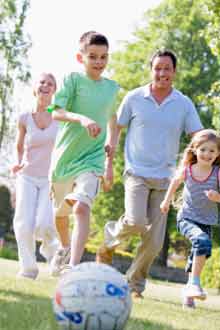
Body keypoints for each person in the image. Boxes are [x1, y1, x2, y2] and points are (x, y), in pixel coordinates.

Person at [96, 49, 203, 298]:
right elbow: (116, 128)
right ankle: (108, 243)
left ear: (174, 72)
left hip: (166, 179)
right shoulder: (134, 98)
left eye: (167, 68)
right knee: (135, 221)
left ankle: (134, 285)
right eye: (158, 68)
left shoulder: (183, 103)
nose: (162, 73)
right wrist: (108, 163)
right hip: (136, 173)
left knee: (154, 243)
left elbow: (197, 135)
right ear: (151, 69)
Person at [48, 31, 119, 276]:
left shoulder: (112, 88)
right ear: (81, 58)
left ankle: (73, 266)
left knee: (81, 207)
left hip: (92, 158)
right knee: (60, 216)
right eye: (93, 57)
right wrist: (81, 118)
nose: (99, 62)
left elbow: (112, 120)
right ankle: (65, 247)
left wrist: (110, 155)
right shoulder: (72, 80)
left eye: (103, 57)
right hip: (64, 160)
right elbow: (55, 112)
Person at [160, 129, 220, 309]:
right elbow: (174, 183)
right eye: (203, 149)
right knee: (201, 241)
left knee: (198, 253)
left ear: (218, 153)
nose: (207, 154)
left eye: (212, 150)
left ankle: (189, 291)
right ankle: (194, 284)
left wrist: (218, 198)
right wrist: (166, 201)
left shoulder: (217, 173)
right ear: (194, 149)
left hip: (207, 220)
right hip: (187, 217)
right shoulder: (187, 170)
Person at [12, 73, 59, 279]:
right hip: (27, 176)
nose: (45, 86)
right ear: (35, 87)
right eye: (42, 82)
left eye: (50, 84)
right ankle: (28, 269)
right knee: (24, 223)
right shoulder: (24, 116)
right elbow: (19, 145)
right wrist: (17, 161)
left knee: (45, 223)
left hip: (50, 178)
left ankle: (50, 253)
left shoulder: (57, 114)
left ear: (54, 90)